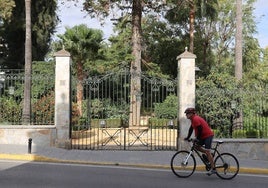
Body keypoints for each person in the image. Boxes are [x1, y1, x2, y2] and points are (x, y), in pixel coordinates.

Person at [183, 107, 216, 176]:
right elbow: (191, 129)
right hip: (203, 136)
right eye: (186, 113)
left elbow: (200, 129)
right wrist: (188, 137)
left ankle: (213, 169)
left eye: (187, 113)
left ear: (192, 114)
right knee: (196, 146)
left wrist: (197, 138)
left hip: (208, 136)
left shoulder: (195, 119)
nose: (186, 115)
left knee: (207, 151)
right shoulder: (193, 119)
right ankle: (209, 155)